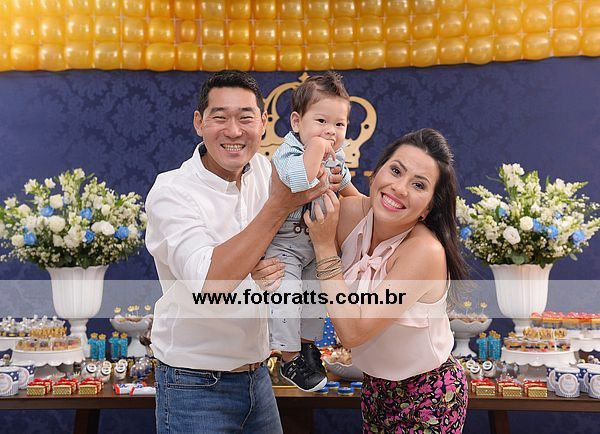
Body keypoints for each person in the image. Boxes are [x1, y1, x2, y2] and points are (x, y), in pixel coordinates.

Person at [145, 70, 334, 433]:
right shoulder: (172, 191)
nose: (234, 131)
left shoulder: (268, 170)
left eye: (246, 117)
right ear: (199, 123)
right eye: (220, 117)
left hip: (258, 376)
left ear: (264, 123)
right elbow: (210, 282)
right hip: (193, 382)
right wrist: (277, 207)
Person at [304, 128, 469, 432]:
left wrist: (325, 247)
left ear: (428, 208)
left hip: (430, 394)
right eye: (395, 170)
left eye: (418, 185)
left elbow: (353, 332)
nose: (399, 188)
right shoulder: (351, 214)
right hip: (375, 389)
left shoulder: (425, 251)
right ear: (376, 172)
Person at [266, 71, 360, 392]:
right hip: (285, 245)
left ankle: (307, 347)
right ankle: (289, 358)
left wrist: (370, 212)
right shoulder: (288, 153)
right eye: (321, 121)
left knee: (315, 299)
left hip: (316, 244)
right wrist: (318, 147)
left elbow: (349, 192)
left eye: (339, 124)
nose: (331, 131)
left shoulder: (336, 158)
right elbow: (301, 180)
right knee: (287, 297)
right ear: (296, 122)